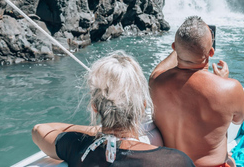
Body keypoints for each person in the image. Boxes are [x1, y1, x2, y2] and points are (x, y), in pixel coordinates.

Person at [32, 51, 195, 167]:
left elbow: (39, 130)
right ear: (142, 106)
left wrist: (96, 130)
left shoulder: (77, 147)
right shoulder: (175, 161)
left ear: (95, 107)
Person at [149, 16, 244, 167]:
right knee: (231, 162)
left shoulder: (156, 81)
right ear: (211, 52)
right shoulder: (230, 88)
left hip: (170, 164)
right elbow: (239, 119)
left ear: (174, 47)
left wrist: (185, 45)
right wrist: (223, 81)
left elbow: (160, 68)